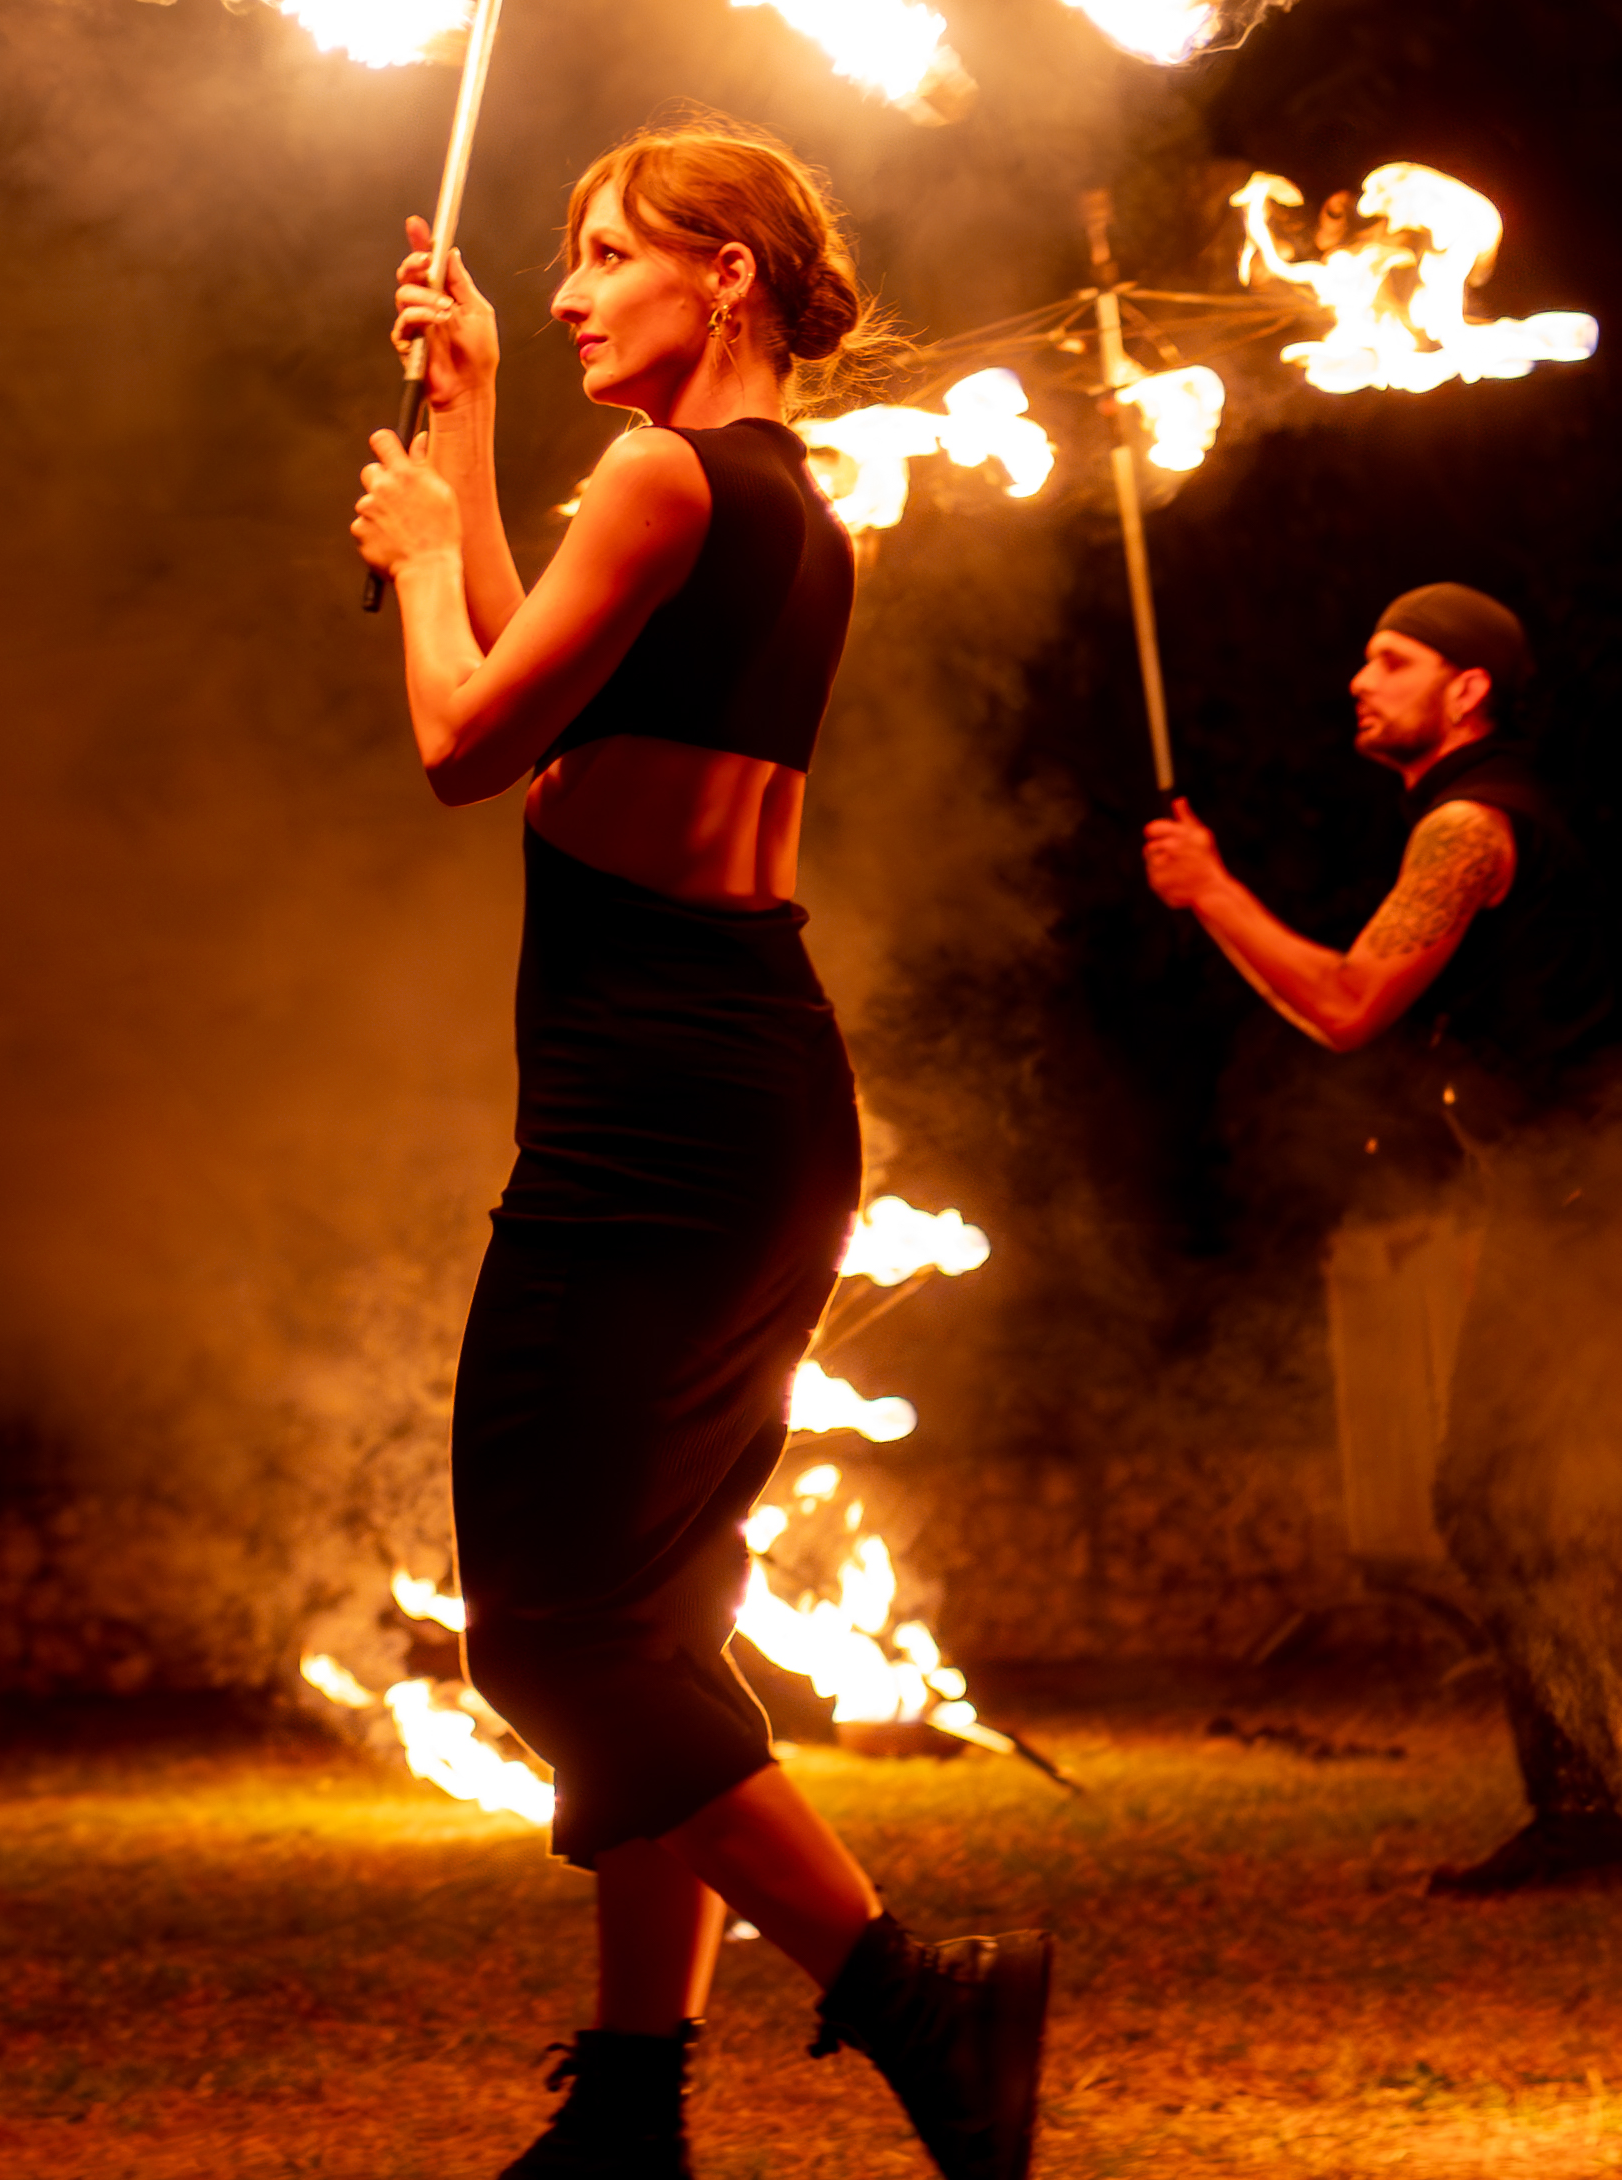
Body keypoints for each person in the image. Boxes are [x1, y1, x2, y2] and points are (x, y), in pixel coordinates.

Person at [351, 119, 1048, 2180]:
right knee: (652, 1618)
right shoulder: (768, 503)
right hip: (754, 1095)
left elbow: (466, 743)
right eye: (552, 266)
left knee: (551, 1636)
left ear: (724, 270)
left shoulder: (659, 479)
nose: (561, 293)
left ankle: (909, 1988)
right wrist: (463, 420)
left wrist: (404, 556)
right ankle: (634, 2105)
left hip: (648, 1108)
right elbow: (561, 710)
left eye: (600, 255)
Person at [1140, 586, 1622, 1898]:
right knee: (1519, 1495)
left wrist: (1213, 888)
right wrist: (1211, 907)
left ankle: (1606, 1789)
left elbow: (1350, 993)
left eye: (1394, 658)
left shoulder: (1468, 822)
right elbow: (1336, 1022)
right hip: (1560, 1198)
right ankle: (1591, 1798)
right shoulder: (1470, 814)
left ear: (1469, 687)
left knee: (1499, 1493)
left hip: (1580, 1202)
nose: (1357, 677)